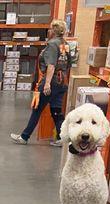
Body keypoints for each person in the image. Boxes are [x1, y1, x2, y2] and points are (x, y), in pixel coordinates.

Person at [11, 19, 71, 147]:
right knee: (56, 111)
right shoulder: (65, 44)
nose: (48, 31)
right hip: (62, 82)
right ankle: (64, 138)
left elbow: (51, 65)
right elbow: (69, 64)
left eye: (50, 29)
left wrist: (47, 84)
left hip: (52, 81)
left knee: (37, 108)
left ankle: (24, 137)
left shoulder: (52, 44)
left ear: (53, 31)